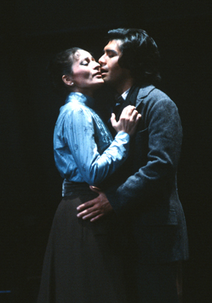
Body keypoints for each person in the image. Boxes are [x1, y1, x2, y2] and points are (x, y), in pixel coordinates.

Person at [76, 28, 189, 303]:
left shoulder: (158, 103)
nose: (101, 60)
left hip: (155, 233)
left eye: (110, 54)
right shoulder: (119, 105)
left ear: (132, 62)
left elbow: (160, 166)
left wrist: (112, 199)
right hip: (130, 234)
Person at [37, 47, 141, 303]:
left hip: (87, 208)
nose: (95, 64)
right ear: (68, 79)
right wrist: (124, 137)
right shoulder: (76, 112)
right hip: (84, 211)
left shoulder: (84, 111)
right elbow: (92, 171)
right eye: (85, 62)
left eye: (94, 59)